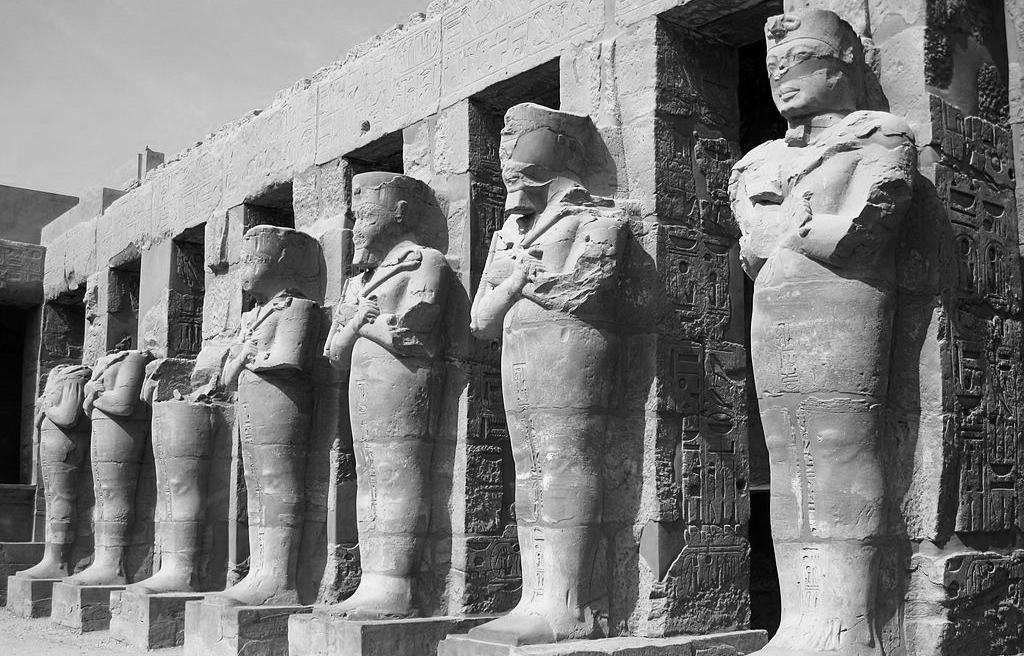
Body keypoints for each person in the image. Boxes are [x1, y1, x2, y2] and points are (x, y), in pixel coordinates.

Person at [728, 9, 915, 655]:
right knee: (788, 460)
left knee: (839, 447)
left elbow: (857, 235)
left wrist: (790, 222)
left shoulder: (880, 134)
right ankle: (802, 622)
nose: (784, 79)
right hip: (778, 305)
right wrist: (802, 221)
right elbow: (754, 249)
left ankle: (850, 626)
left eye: (802, 64)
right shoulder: (759, 160)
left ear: (844, 68)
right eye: (775, 68)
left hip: (844, 301)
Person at [468, 103, 625, 645]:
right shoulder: (508, 232)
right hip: (519, 349)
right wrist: (518, 283)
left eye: (517, 141)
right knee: (528, 470)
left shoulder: (597, 217)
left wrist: (517, 283)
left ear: (559, 147)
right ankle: (534, 596)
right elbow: (480, 319)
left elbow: (584, 288)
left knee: (564, 462)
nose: (505, 153)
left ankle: (570, 603)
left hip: (570, 348)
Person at [323, 172, 449, 619]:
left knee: (399, 476)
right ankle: (372, 580)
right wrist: (361, 322)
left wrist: (360, 322)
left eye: (367, 217)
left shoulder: (426, 262)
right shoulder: (360, 281)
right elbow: (334, 353)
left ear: (400, 214)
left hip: (405, 383)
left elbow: (413, 334)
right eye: (356, 218)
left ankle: (397, 584)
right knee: (369, 481)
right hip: (363, 388)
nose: (357, 229)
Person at [207, 225, 323, 607]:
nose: (245, 270)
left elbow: (290, 359)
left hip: (282, 399)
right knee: (254, 483)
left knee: (278, 481)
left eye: (254, 260)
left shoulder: (297, 307)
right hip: (252, 400)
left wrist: (246, 357)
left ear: (280, 263)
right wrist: (246, 356)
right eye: (242, 261)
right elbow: (227, 377)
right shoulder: (252, 316)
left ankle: (280, 579)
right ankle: (259, 571)